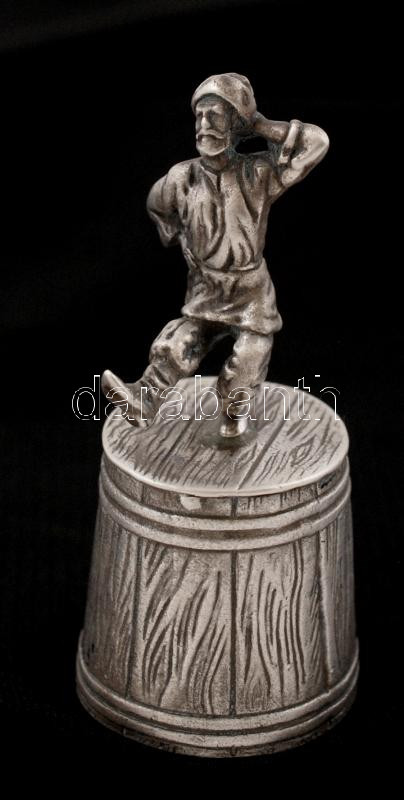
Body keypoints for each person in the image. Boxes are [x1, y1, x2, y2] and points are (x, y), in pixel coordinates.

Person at [102, 72, 329, 437]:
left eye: (216, 116)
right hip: (207, 287)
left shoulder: (258, 172)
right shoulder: (182, 177)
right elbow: (157, 204)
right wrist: (179, 239)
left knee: (251, 356)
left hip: (250, 291)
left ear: (236, 124)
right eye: (200, 116)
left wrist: (259, 124)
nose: (204, 125)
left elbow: (316, 143)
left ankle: (234, 417)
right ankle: (144, 399)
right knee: (178, 343)